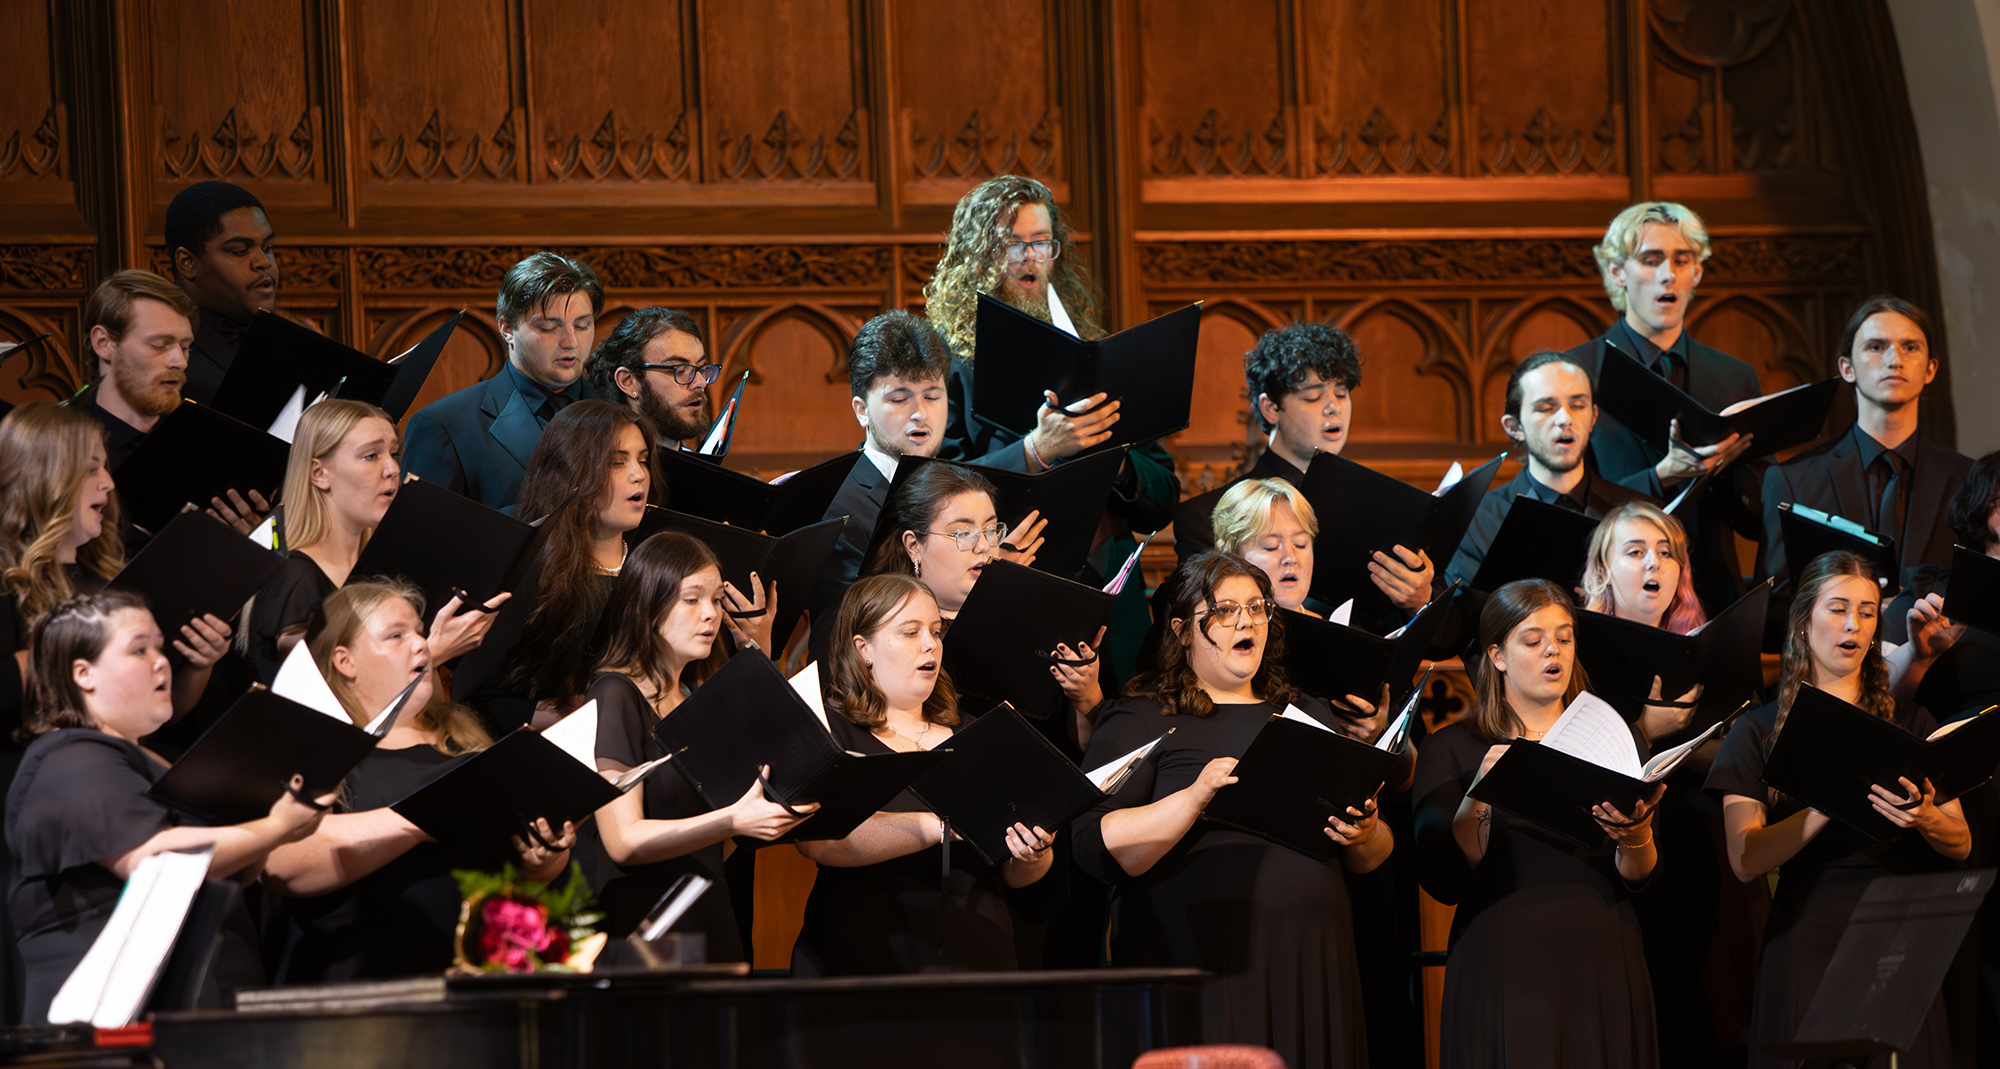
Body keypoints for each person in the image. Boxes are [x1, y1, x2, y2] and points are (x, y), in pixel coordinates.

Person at [1072, 552, 1387, 1069]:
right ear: (1182, 630)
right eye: (1223, 610)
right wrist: (1192, 798)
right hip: (1204, 960)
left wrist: (1367, 831)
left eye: (1257, 608)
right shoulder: (1142, 714)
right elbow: (1090, 840)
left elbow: (1374, 856)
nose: (1246, 621)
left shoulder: (1304, 712)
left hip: (1313, 957)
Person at [7, 590, 333, 1022]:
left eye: (159, 646)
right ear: (84, 674)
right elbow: (154, 860)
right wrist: (274, 827)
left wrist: (273, 821)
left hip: (194, 1016)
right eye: (138, 649)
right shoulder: (71, 758)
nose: (160, 661)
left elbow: (239, 872)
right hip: (115, 1033)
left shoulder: (148, 764)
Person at [1708, 550, 1971, 1069]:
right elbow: (1744, 858)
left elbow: (1961, 842)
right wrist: (1825, 803)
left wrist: (1925, 817)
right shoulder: (1757, 731)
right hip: (1806, 935)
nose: (1854, 624)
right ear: (1804, 622)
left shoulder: (1910, 721)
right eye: (1838, 608)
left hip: (1895, 930)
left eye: (1868, 611)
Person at [925, 175, 1178, 684]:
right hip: (1006, 589)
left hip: (1106, 590)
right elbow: (936, 492)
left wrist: (1118, 456)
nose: (1029, 256)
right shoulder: (948, 368)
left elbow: (1164, 496)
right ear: (979, 252)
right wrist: (1036, 450)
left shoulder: (1097, 359)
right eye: (1011, 243)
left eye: (1040, 242)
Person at [263, 580, 574, 981]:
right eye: (396, 635)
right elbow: (284, 864)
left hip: (478, 985)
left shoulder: (464, 741)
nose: (421, 645)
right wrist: (424, 817)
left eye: (420, 632)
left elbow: (516, 874)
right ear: (345, 661)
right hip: (361, 996)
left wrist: (544, 861)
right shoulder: (323, 751)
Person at [1413, 578, 1663, 1067]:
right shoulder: (1453, 748)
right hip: (1506, 966)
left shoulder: (1615, 738)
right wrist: (1480, 795)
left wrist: (1638, 837)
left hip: (1603, 957)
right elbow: (1443, 879)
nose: (1554, 650)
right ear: (1498, 655)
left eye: (1565, 637)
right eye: (1533, 640)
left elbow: (1643, 877)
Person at [791, 573, 1054, 976]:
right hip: (864, 958)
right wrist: (935, 827)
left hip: (977, 958)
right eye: (910, 632)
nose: (930, 644)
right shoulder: (835, 730)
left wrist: (1032, 854)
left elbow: (1014, 875)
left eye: (935, 630)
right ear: (864, 649)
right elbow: (820, 844)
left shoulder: (976, 733)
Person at [1580, 501, 1768, 1066]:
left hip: (1692, 844)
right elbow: (1575, 762)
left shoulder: (1703, 646)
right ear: (1603, 571)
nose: (1653, 563)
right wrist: (1647, 729)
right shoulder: (1574, 653)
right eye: (1635, 552)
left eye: (1665, 552)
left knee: (1693, 1006)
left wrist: (1684, 741)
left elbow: (1736, 756)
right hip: (1609, 856)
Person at [583, 532, 809, 956]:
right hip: (644, 934)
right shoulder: (614, 693)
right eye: (692, 599)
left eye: (717, 600)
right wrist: (733, 821)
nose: (710, 614)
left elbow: (715, 845)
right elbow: (623, 840)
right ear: (644, 605)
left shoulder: (697, 702)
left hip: (709, 916)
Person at [1566, 201, 1764, 613]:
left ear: (1698, 272)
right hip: (1609, 602)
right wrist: (1661, 477)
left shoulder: (1734, 378)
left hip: (1714, 599)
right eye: (1650, 260)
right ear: (1618, 272)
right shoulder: (1576, 373)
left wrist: (1731, 473)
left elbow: (1756, 519)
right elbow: (1567, 506)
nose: (1668, 275)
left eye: (1681, 259)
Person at [1176, 322, 1437, 621]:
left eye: (1342, 393)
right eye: (1313, 396)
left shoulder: (1374, 508)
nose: (1333, 408)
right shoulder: (1205, 516)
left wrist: (1417, 602)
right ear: (1271, 408)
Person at [0, 403, 232, 726]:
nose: (108, 482)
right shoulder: (8, 580)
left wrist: (199, 663)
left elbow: (158, 716)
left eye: (106, 467)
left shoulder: (115, 577)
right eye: (91, 468)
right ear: (43, 478)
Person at [243, 400, 503, 686]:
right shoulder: (295, 578)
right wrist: (435, 653)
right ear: (319, 473)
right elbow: (326, 697)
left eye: (394, 454)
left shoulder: (378, 565)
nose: (392, 469)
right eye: (370, 456)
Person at [1761, 296, 1973, 605]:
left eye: (1910, 347)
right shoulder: (1792, 480)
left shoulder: (1969, 480)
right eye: (1876, 347)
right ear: (1847, 368)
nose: (1894, 360)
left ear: (1930, 369)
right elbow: (1774, 606)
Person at [860, 464, 1090, 738]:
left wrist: (1085, 698)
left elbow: (1070, 746)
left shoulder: (1026, 622)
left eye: (991, 530)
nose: (983, 546)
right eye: (963, 533)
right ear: (913, 546)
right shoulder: (882, 628)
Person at [495, 400, 661, 726]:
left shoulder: (654, 567)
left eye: (643, 460)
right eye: (617, 463)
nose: (639, 475)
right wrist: (584, 716)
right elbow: (480, 702)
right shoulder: (529, 575)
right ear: (571, 474)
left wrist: (752, 642)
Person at [403, 252, 604, 509]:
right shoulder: (443, 426)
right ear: (507, 329)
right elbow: (425, 540)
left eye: (582, 326)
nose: (571, 342)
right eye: (548, 327)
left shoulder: (619, 409)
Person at [807, 310, 953, 657]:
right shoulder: (834, 506)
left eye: (932, 396)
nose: (920, 413)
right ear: (861, 410)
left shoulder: (958, 490)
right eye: (900, 399)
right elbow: (846, 631)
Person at [1447, 350, 1655, 588]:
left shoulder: (1641, 514)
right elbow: (1464, 617)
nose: (1565, 418)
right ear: (1514, 427)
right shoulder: (1478, 521)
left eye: (1578, 405)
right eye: (1546, 408)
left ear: (1593, 417)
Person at [164, 181, 279, 406]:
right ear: (188, 262)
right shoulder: (166, 357)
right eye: (239, 251)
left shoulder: (288, 340)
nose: (264, 262)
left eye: (267, 248)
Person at [70, 270, 196, 472]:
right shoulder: (60, 445)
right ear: (104, 343)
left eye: (185, 348)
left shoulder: (197, 439)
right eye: (160, 345)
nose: (180, 362)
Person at [585, 306, 717, 447]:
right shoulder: (596, 466)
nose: (701, 382)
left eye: (701, 367)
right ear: (628, 381)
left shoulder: (697, 467)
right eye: (680, 369)